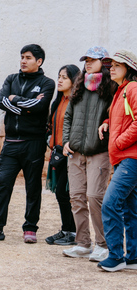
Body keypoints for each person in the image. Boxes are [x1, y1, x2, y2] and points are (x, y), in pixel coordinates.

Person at [0, 44, 55, 243]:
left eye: (28, 57)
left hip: (34, 143)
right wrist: (26, 104)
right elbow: (3, 102)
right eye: (22, 57)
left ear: (39, 61)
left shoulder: (47, 83)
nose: (23, 60)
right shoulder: (11, 79)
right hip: (11, 142)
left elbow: (40, 106)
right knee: (3, 185)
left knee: (33, 187)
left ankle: (30, 228)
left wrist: (16, 100)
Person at [62, 46, 113, 261]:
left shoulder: (111, 87)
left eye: (93, 59)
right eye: (86, 60)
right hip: (75, 152)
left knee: (95, 197)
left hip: (98, 152)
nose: (88, 63)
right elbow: (68, 116)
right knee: (76, 198)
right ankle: (83, 243)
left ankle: (102, 244)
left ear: (104, 62)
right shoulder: (79, 85)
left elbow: (113, 118)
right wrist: (66, 140)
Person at [97, 49, 137, 272]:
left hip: (131, 157)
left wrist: (119, 142)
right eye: (110, 65)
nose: (111, 68)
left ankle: (116, 256)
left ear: (128, 69)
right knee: (131, 210)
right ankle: (133, 257)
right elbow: (122, 117)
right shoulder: (120, 91)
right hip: (124, 158)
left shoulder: (133, 88)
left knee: (111, 203)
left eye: (117, 65)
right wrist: (106, 122)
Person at [45, 64, 79, 246]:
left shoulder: (77, 102)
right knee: (61, 194)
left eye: (64, 77)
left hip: (72, 153)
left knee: (65, 193)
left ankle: (73, 232)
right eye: (59, 76)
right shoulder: (58, 101)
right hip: (58, 153)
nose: (59, 80)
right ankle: (67, 229)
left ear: (74, 80)